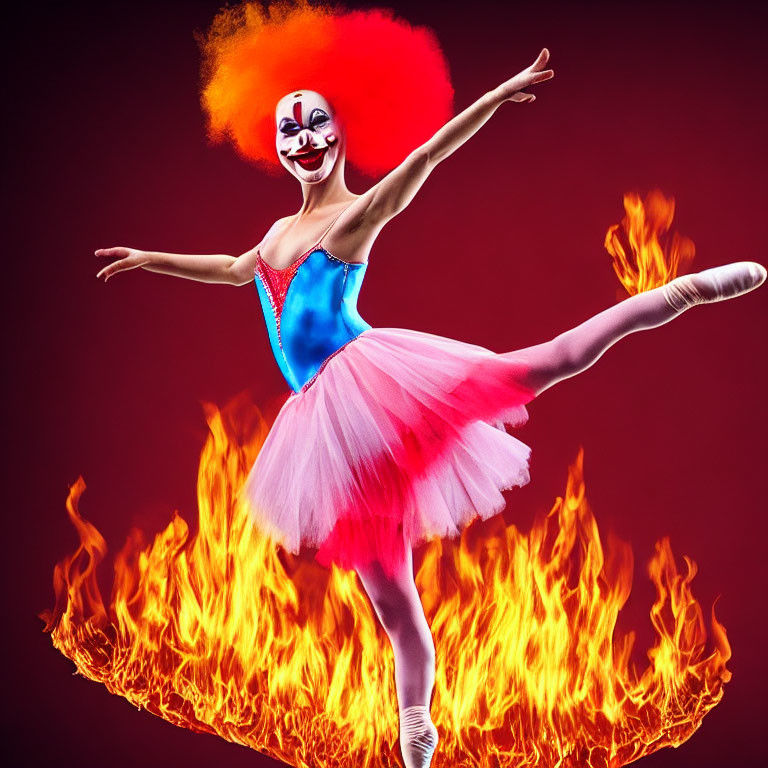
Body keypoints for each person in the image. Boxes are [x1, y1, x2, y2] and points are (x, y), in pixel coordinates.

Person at [94, 3, 765, 766]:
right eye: (288, 129)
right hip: (321, 424)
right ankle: (417, 729)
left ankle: (683, 291)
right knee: (389, 595)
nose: (303, 139)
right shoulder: (277, 235)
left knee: (544, 363)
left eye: (315, 122)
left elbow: (425, 161)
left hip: (376, 382)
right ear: (272, 146)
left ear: (342, 131)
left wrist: (493, 97)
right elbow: (235, 270)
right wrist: (153, 259)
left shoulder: (356, 215)